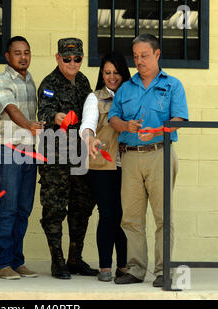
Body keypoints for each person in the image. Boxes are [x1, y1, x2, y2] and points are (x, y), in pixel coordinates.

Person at [108, 34, 189, 287]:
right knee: (131, 218)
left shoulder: (172, 85)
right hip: (131, 157)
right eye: (135, 56)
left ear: (157, 54)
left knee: (163, 216)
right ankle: (135, 268)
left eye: (144, 55)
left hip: (159, 154)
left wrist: (158, 130)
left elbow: (180, 119)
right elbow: (113, 119)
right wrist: (126, 126)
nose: (139, 60)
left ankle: (163, 270)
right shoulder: (126, 88)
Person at [37, 38, 98, 280]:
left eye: (77, 58)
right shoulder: (49, 83)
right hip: (55, 156)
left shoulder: (83, 81)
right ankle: (58, 261)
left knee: (81, 207)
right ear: (57, 58)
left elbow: (91, 112)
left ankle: (75, 258)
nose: (72, 63)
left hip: (79, 155)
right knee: (54, 208)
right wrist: (58, 116)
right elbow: (43, 112)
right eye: (67, 59)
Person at [0, 36, 41, 280]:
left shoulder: (30, 81)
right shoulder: (1, 81)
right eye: (17, 53)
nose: (23, 57)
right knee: (7, 208)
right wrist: (30, 125)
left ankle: (17, 261)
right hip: (8, 150)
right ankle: (2, 263)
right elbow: (11, 109)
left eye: (27, 52)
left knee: (23, 209)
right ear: (8, 57)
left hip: (29, 152)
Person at [80, 52, 130, 282]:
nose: (112, 77)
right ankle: (105, 266)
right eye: (107, 73)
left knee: (125, 216)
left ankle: (124, 266)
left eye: (116, 73)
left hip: (129, 164)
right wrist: (89, 137)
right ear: (102, 74)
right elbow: (87, 125)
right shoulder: (95, 98)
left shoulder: (132, 96)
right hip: (102, 165)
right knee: (109, 214)